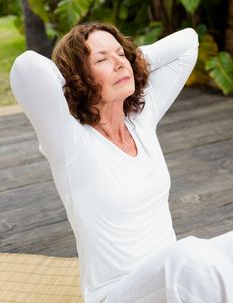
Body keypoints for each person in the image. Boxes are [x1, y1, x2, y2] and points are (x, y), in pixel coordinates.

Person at [10, 23, 233, 303]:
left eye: (121, 54)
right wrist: (78, 75)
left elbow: (188, 42)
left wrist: (126, 61)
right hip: (117, 293)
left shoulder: (141, 119)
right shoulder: (69, 141)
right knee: (190, 258)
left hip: (171, 278)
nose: (118, 64)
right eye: (102, 59)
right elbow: (26, 68)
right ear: (78, 77)